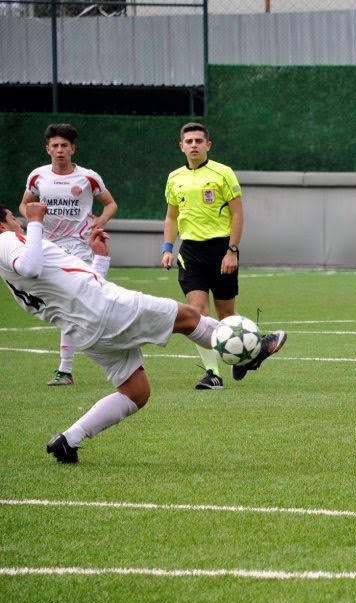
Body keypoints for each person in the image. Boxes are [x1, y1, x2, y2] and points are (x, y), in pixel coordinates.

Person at [0, 202, 286, 464]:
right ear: (2, 224)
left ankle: (68, 440)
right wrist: (35, 220)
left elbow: (70, 285)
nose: (18, 221)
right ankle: (251, 352)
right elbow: (31, 268)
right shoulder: (6, 240)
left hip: (85, 331)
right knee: (187, 317)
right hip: (105, 309)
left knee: (135, 392)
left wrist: (100, 259)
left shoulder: (9, 272)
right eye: (13, 217)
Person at [19, 123, 118, 387]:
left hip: (79, 249)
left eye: (64, 145)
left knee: (71, 305)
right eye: (55, 145)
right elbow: (24, 204)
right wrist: (33, 217)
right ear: (48, 149)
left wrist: (100, 221)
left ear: (73, 149)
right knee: (65, 306)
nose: (60, 150)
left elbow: (110, 204)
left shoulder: (88, 178)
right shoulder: (37, 176)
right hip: (48, 249)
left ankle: (65, 370)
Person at [162, 122, 245, 390]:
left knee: (226, 315)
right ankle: (213, 373)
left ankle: (244, 352)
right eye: (189, 141)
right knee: (197, 313)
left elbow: (238, 214)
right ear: (181, 146)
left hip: (221, 250)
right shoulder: (174, 177)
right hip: (190, 252)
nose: (194, 145)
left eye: (199, 141)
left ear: (208, 145)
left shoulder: (223, 173)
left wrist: (232, 250)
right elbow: (171, 216)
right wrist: (167, 248)